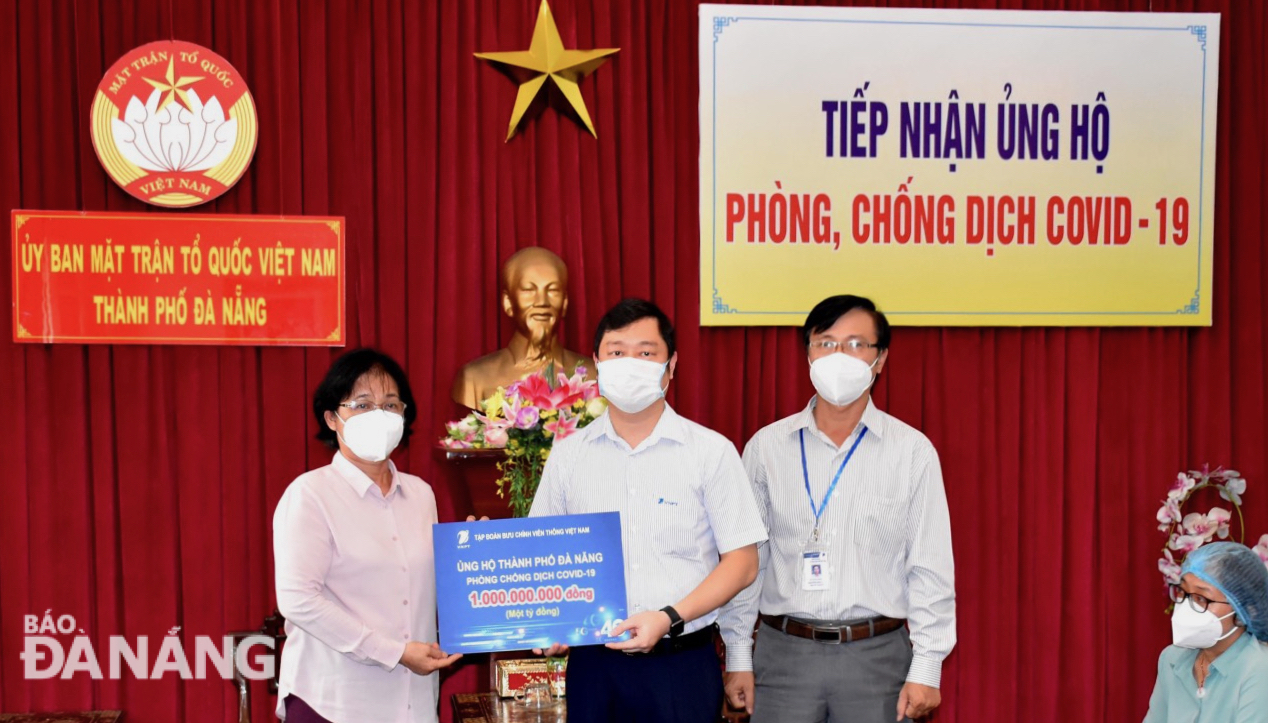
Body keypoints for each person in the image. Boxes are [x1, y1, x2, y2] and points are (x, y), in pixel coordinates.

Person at [529, 298, 767, 723]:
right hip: (594, 667)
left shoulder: (711, 452)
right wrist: (550, 624)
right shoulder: (568, 457)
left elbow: (743, 563)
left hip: (680, 664)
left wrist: (668, 617)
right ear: (597, 364)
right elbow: (541, 557)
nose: (630, 363)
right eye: (617, 352)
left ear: (671, 365)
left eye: (646, 353)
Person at [719, 294, 956, 723]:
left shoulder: (912, 452)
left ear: (880, 359)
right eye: (825, 342)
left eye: (855, 344)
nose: (839, 356)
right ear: (807, 352)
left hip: (876, 659)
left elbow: (929, 567)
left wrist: (927, 667)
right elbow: (748, 563)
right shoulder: (766, 448)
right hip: (784, 656)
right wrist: (738, 654)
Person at [273, 348, 462, 723]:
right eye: (362, 405)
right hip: (334, 703)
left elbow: (431, 587)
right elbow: (297, 599)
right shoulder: (310, 494)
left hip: (414, 705)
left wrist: (477, 556)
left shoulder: (421, 494)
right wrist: (392, 651)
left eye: (390, 405)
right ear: (332, 418)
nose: (379, 415)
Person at [451, 247, 593, 409]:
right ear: (508, 302)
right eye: (528, 290)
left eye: (553, 290)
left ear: (565, 303)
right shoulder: (474, 379)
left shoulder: (593, 375)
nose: (542, 302)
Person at [1143, 541, 1268, 722]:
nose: (1187, 605)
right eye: (1183, 592)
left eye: (1201, 598)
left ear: (1242, 609)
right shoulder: (1172, 659)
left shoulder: (1259, 669)